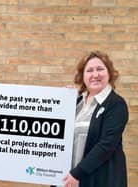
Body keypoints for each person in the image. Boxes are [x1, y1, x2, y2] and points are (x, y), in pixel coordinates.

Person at [51, 51, 128, 187]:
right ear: (83, 76)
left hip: (98, 180)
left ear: (109, 73)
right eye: (89, 70)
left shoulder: (116, 104)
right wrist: (61, 101)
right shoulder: (75, 102)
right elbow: (55, 132)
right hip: (68, 180)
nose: (95, 74)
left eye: (100, 69)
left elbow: (106, 145)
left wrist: (77, 173)